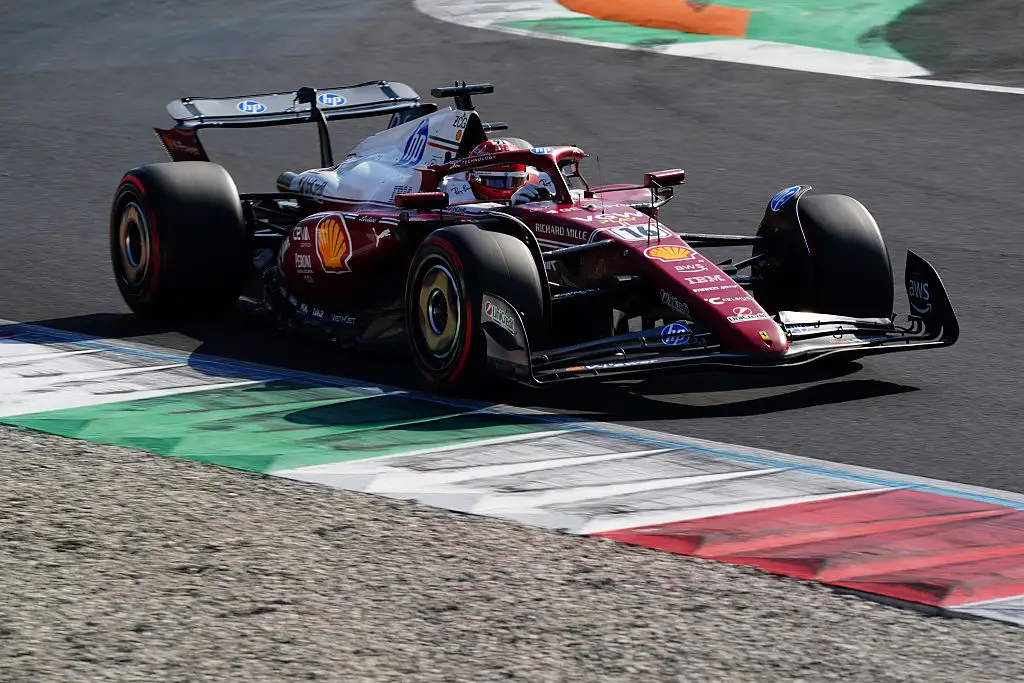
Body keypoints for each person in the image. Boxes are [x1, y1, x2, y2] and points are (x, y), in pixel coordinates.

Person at [465, 139, 531, 201]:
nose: (506, 190)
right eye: (496, 182)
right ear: (472, 177)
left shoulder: (533, 185)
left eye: (515, 182)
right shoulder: (461, 197)